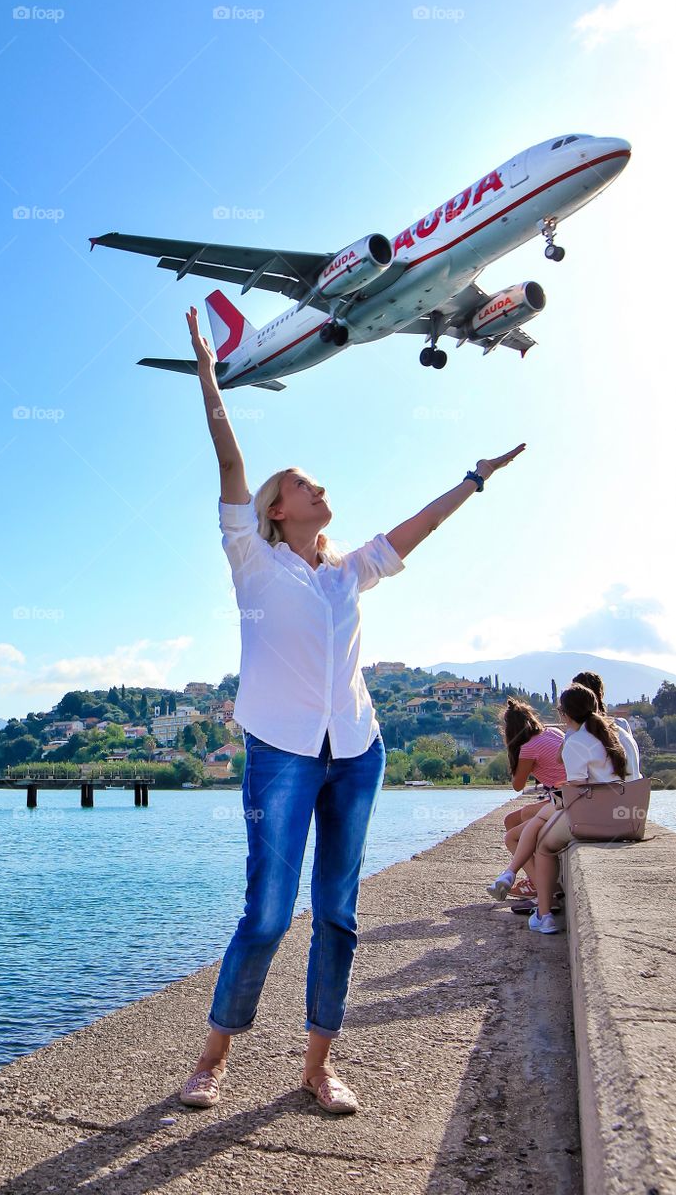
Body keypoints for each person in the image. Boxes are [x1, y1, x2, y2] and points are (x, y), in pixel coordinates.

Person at [178, 303, 526, 1114]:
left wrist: (472, 479)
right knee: (265, 914)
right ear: (274, 509)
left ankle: (316, 1066)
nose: (317, 488)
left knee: (337, 912)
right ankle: (212, 1059)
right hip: (279, 754)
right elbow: (227, 456)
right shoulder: (251, 561)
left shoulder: (346, 574)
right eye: (302, 484)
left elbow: (415, 529)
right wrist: (205, 371)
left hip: (356, 752)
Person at [525, 682, 641, 933]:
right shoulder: (612, 733)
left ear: (564, 714)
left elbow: (578, 789)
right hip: (625, 814)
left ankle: (544, 916)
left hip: (597, 817)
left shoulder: (575, 741)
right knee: (541, 822)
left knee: (543, 846)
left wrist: (559, 796)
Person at [497, 698, 565, 897]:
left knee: (523, 817)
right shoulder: (552, 731)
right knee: (511, 820)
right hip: (568, 794)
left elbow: (517, 785)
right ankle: (535, 874)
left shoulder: (528, 748)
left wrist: (513, 752)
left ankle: (539, 884)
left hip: (564, 799)